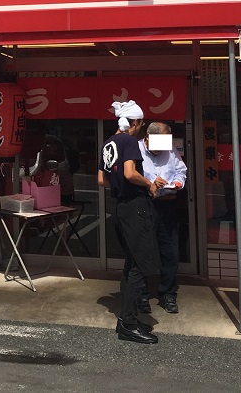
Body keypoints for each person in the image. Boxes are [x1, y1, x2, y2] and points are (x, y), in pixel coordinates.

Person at [98, 99, 160, 344]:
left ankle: (126, 319)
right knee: (141, 266)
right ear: (135, 122)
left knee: (131, 264)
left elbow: (102, 181)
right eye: (141, 124)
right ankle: (129, 324)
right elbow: (129, 173)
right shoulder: (129, 141)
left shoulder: (108, 143)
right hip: (135, 210)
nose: (142, 128)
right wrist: (150, 184)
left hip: (121, 209)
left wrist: (121, 187)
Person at [137, 121, 188, 314]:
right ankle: (142, 294)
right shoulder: (136, 149)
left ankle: (168, 294)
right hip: (145, 204)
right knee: (143, 250)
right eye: (157, 147)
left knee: (170, 251)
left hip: (167, 204)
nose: (161, 151)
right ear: (148, 138)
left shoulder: (170, 149)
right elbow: (131, 175)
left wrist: (176, 182)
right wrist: (149, 183)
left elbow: (181, 171)